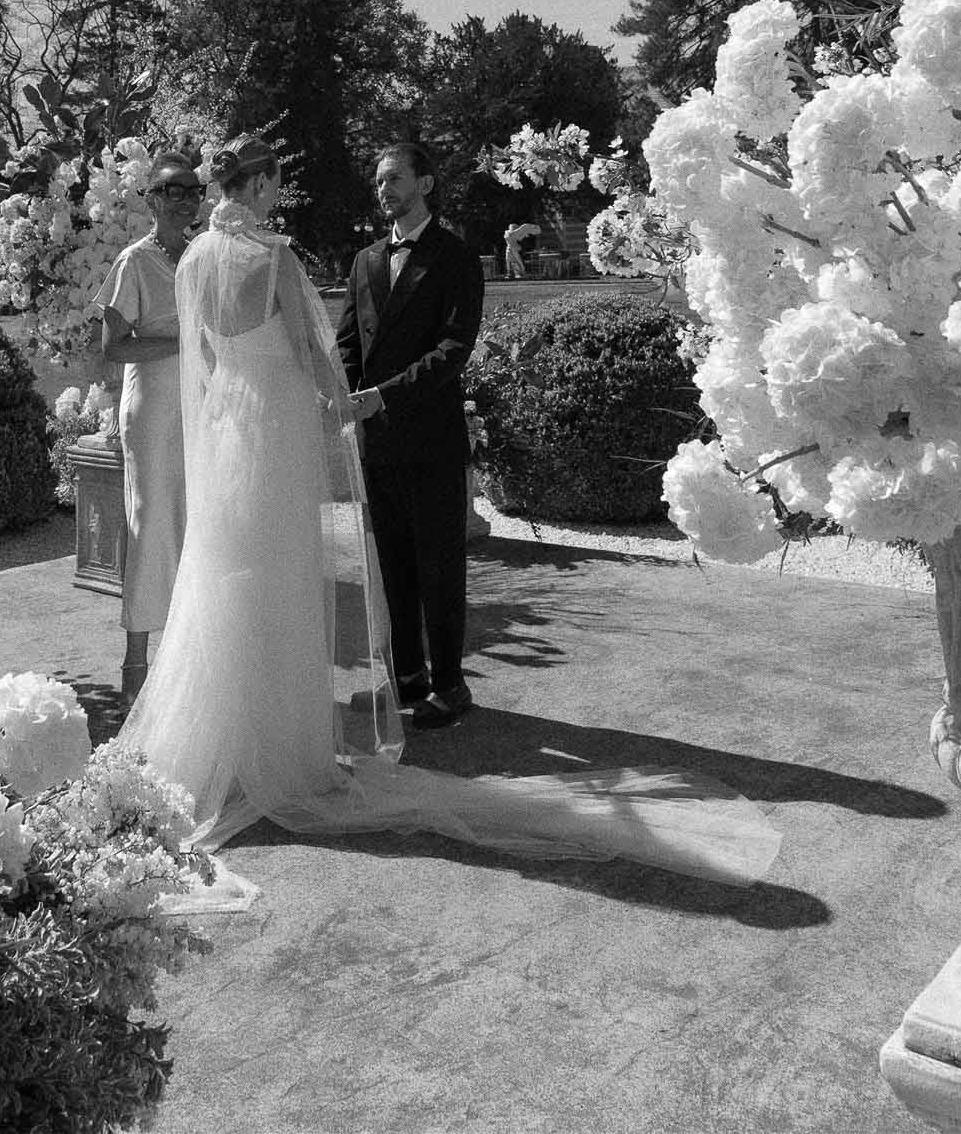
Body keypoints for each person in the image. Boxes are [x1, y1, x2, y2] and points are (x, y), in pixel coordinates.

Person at [119, 136, 780, 886]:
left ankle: (272, 723)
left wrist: (356, 398)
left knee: (234, 574)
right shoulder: (279, 258)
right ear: (262, 182)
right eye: (276, 181)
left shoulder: (194, 259)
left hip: (231, 433)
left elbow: (214, 363)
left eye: (392, 177)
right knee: (280, 576)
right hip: (276, 432)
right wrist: (336, 402)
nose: (379, 188)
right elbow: (319, 351)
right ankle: (290, 737)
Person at [337, 143, 484, 728]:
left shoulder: (455, 257)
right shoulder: (365, 260)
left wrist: (383, 395)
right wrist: (346, 392)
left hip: (431, 437)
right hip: (377, 440)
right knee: (393, 564)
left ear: (425, 183)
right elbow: (349, 342)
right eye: (378, 181)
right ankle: (407, 678)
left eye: (395, 178)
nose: (384, 189)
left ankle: (450, 685)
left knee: (439, 565)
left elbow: (454, 350)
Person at [91, 151, 203, 704]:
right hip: (154, 406)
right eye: (173, 190)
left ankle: (193, 657)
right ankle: (135, 663)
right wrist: (185, 344)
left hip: (203, 406)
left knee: (199, 522)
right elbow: (114, 347)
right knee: (151, 519)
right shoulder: (134, 262)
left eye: (193, 190)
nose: (186, 199)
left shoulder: (207, 257)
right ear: (152, 199)